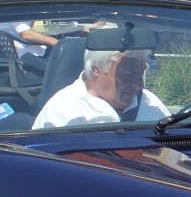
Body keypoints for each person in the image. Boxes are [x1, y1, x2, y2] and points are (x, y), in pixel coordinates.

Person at [33, 24, 170, 128]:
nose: (139, 84)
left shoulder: (150, 102)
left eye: (142, 72)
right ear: (96, 69)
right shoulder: (64, 112)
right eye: (129, 74)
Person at [0, 0, 58, 72]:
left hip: (21, 52)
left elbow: (25, 27)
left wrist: (35, 12)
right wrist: (55, 42)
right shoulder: (11, 8)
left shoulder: (3, 5)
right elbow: (26, 34)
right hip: (27, 55)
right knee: (65, 57)